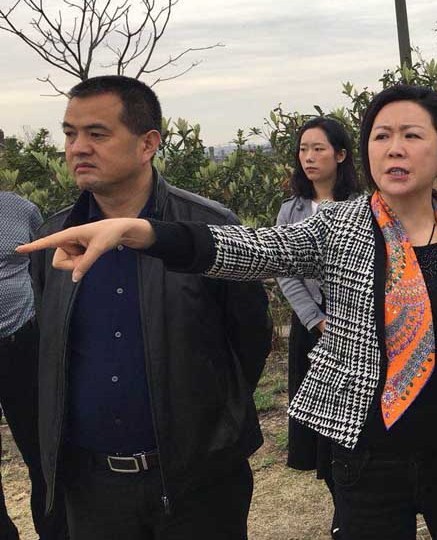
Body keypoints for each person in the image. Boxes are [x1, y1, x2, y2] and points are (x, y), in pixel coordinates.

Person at [22, 85, 437, 540]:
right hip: (368, 456)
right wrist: (144, 232)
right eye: (381, 136)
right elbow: (253, 249)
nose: (394, 148)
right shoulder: (341, 228)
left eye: (412, 136)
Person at [28, 76, 272, 540]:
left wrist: (213, 427)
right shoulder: (55, 241)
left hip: (197, 482)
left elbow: (250, 341)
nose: (78, 148)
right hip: (92, 487)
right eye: (70, 134)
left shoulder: (209, 230)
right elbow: (55, 348)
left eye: (97, 134)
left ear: (148, 144)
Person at [275, 116, 361, 534]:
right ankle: (340, 510)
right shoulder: (290, 210)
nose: (308, 157)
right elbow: (284, 269)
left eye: (318, 149)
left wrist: (342, 321)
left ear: (340, 155)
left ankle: (354, 508)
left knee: (353, 425)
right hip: (311, 332)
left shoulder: (362, 205)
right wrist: (316, 320)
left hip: (355, 331)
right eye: (303, 149)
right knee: (320, 426)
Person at [0, 192, 66, 540]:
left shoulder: (22, 210)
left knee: (42, 451)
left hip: (22, 345)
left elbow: (44, 270)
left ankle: (56, 532)